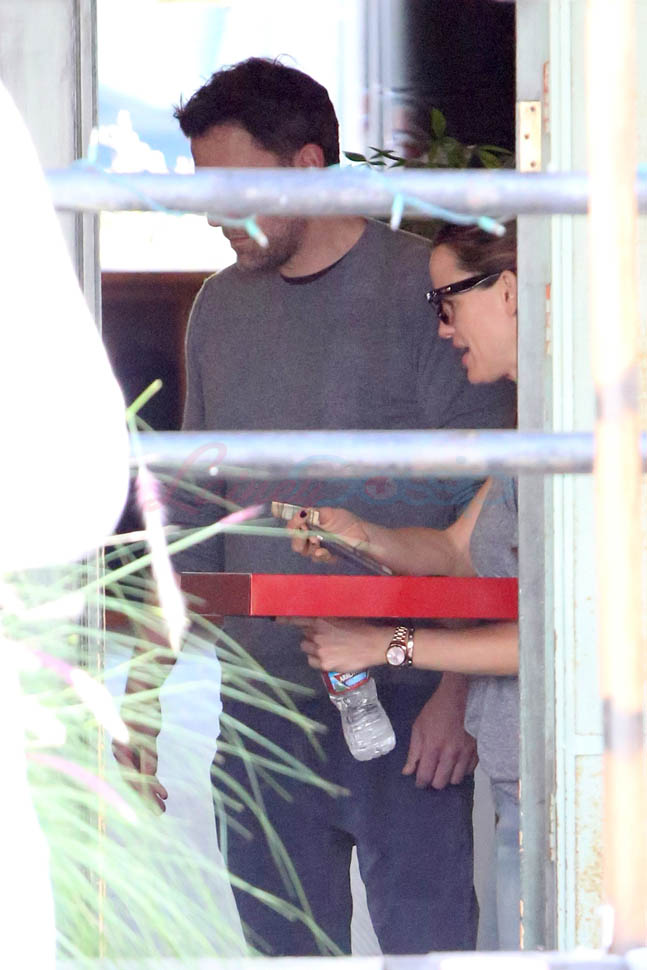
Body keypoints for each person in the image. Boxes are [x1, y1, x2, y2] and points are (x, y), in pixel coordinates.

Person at [115, 57, 516, 956]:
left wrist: (455, 695)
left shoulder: (429, 294)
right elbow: (194, 514)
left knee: (429, 950)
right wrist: (142, 690)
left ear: (305, 165)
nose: (212, 212)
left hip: (407, 696)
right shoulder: (217, 309)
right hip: (261, 710)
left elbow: (490, 515)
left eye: (231, 186)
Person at [287, 219, 521, 950]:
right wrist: (362, 534)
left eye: (447, 303)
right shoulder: (535, 439)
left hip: (580, 786)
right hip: (525, 781)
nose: (443, 330)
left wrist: (383, 644)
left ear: (509, 292)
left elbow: (561, 637)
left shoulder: (590, 439)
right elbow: (454, 551)